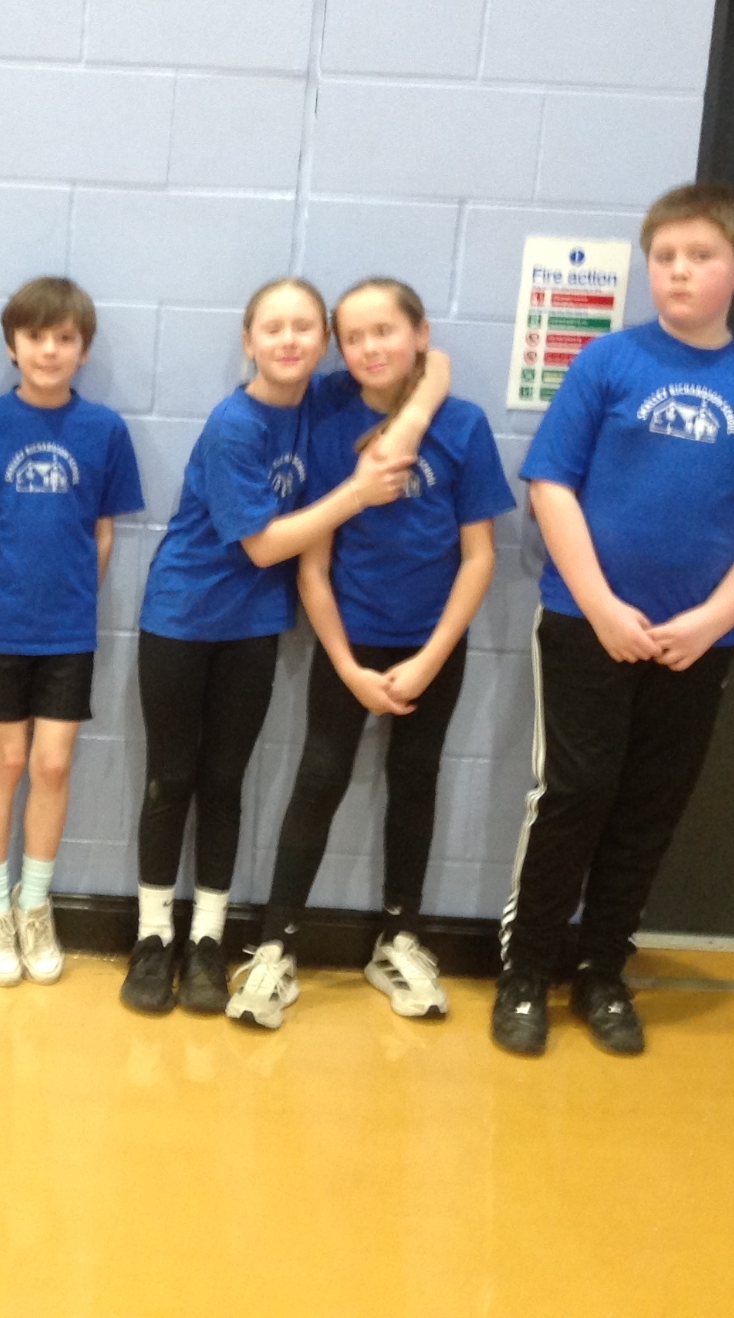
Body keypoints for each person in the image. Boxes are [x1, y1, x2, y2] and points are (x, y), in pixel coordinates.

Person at [495, 182, 734, 1057]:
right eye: (664, 257)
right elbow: (552, 484)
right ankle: (526, 971)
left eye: (700, 257)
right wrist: (600, 605)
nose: (678, 271)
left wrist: (714, 618)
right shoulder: (609, 362)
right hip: (585, 625)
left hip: (697, 644)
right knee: (576, 795)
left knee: (649, 805)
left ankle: (602, 970)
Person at [123, 277, 451, 1016]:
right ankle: (152, 938)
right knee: (171, 779)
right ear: (248, 342)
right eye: (272, 328)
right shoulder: (234, 424)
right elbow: (266, 545)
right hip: (181, 619)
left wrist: (416, 411)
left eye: (305, 327)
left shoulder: (326, 400)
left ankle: (207, 941)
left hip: (254, 628)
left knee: (225, 781)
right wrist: (357, 492)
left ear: (324, 342)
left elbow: (436, 364)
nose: (289, 340)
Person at [228, 279, 513, 1030]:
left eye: (385, 331)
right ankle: (276, 946)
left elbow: (479, 556)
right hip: (349, 640)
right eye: (353, 337)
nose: (369, 348)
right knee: (320, 776)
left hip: (433, 645)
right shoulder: (327, 420)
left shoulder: (463, 424)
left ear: (420, 334)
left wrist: (432, 657)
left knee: (416, 778)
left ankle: (399, 938)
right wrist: (347, 665)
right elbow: (313, 568)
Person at [0, 278, 143, 987]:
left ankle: (35, 903)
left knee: (53, 765)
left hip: (68, 632)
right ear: (13, 345)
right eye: (36, 337)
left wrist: (72, 596)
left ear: (83, 350)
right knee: (5, 762)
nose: (50, 350)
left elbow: (103, 533)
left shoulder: (104, 431)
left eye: (65, 338)